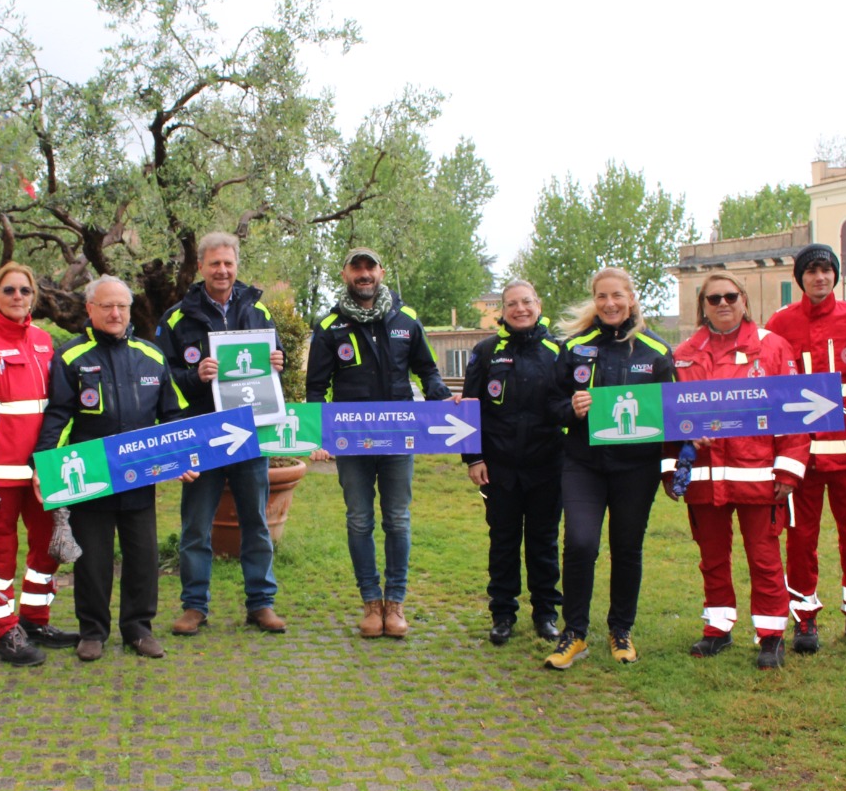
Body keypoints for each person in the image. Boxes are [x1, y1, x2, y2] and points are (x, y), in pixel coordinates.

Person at [33, 276, 190, 661]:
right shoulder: (70, 357)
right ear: (90, 309)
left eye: (122, 305)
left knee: (142, 558)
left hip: (140, 478)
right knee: (93, 561)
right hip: (89, 478)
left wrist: (186, 455)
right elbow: (59, 416)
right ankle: (93, 631)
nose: (116, 313)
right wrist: (43, 463)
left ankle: (138, 628)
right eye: (107, 306)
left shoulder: (152, 357)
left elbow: (173, 415)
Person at [305, 247, 455, 639]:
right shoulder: (329, 327)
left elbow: (427, 372)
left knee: (398, 520)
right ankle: (371, 603)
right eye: (357, 267)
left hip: (399, 438)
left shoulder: (406, 320)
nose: (364, 273)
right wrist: (318, 436)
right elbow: (316, 389)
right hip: (351, 442)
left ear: (381, 272)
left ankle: (397, 603)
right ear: (345, 275)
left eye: (370, 267)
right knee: (359, 520)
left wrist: (447, 403)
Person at [663, 273, 808, 669]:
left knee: (764, 557)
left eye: (731, 296)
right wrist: (672, 467)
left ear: (743, 300)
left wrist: (789, 471)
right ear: (703, 306)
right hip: (705, 475)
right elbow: (669, 417)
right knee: (712, 557)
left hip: (758, 473)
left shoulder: (774, 348)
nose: (723, 304)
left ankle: (771, 635)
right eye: (714, 299)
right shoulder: (683, 355)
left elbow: (794, 416)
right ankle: (718, 628)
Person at [155, 232, 287, 636]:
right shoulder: (176, 317)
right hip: (201, 434)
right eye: (214, 263)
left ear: (236, 265)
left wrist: (278, 362)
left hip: (249, 431)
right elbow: (163, 380)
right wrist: (195, 377)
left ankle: (261, 604)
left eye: (228, 263)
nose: (222, 270)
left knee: (256, 523)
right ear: (201, 267)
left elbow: (273, 362)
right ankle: (194, 606)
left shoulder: (258, 310)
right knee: (196, 525)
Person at [544, 268, 674, 670]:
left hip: (637, 467)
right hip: (584, 463)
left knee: (626, 546)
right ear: (594, 300)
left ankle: (621, 630)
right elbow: (551, 404)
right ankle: (575, 633)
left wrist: (674, 463)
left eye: (617, 295)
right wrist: (572, 409)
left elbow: (672, 412)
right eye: (602, 297)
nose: (610, 304)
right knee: (581, 542)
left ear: (631, 298)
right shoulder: (575, 347)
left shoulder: (656, 351)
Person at [765, 244, 846, 654]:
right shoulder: (780, 324)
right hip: (803, 459)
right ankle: (805, 619)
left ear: (835, 274)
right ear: (800, 277)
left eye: (826, 270)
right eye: (812, 271)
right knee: (801, 538)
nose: (820, 277)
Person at [0, 262, 79, 664]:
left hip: (40, 471)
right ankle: (1, 632)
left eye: (24, 291)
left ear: (34, 297)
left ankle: (33, 619)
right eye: (9, 290)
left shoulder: (45, 341)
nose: (17, 297)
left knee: (46, 549)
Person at [460, 279, 563, 645]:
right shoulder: (486, 352)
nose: (520, 309)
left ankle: (546, 614)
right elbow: (470, 409)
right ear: (502, 312)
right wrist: (474, 458)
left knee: (543, 542)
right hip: (499, 468)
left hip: (547, 467)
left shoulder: (560, 351)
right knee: (502, 542)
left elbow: (570, 407)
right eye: (511, 304)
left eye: (526, 302)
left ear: (538, 304)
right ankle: (502, 614)